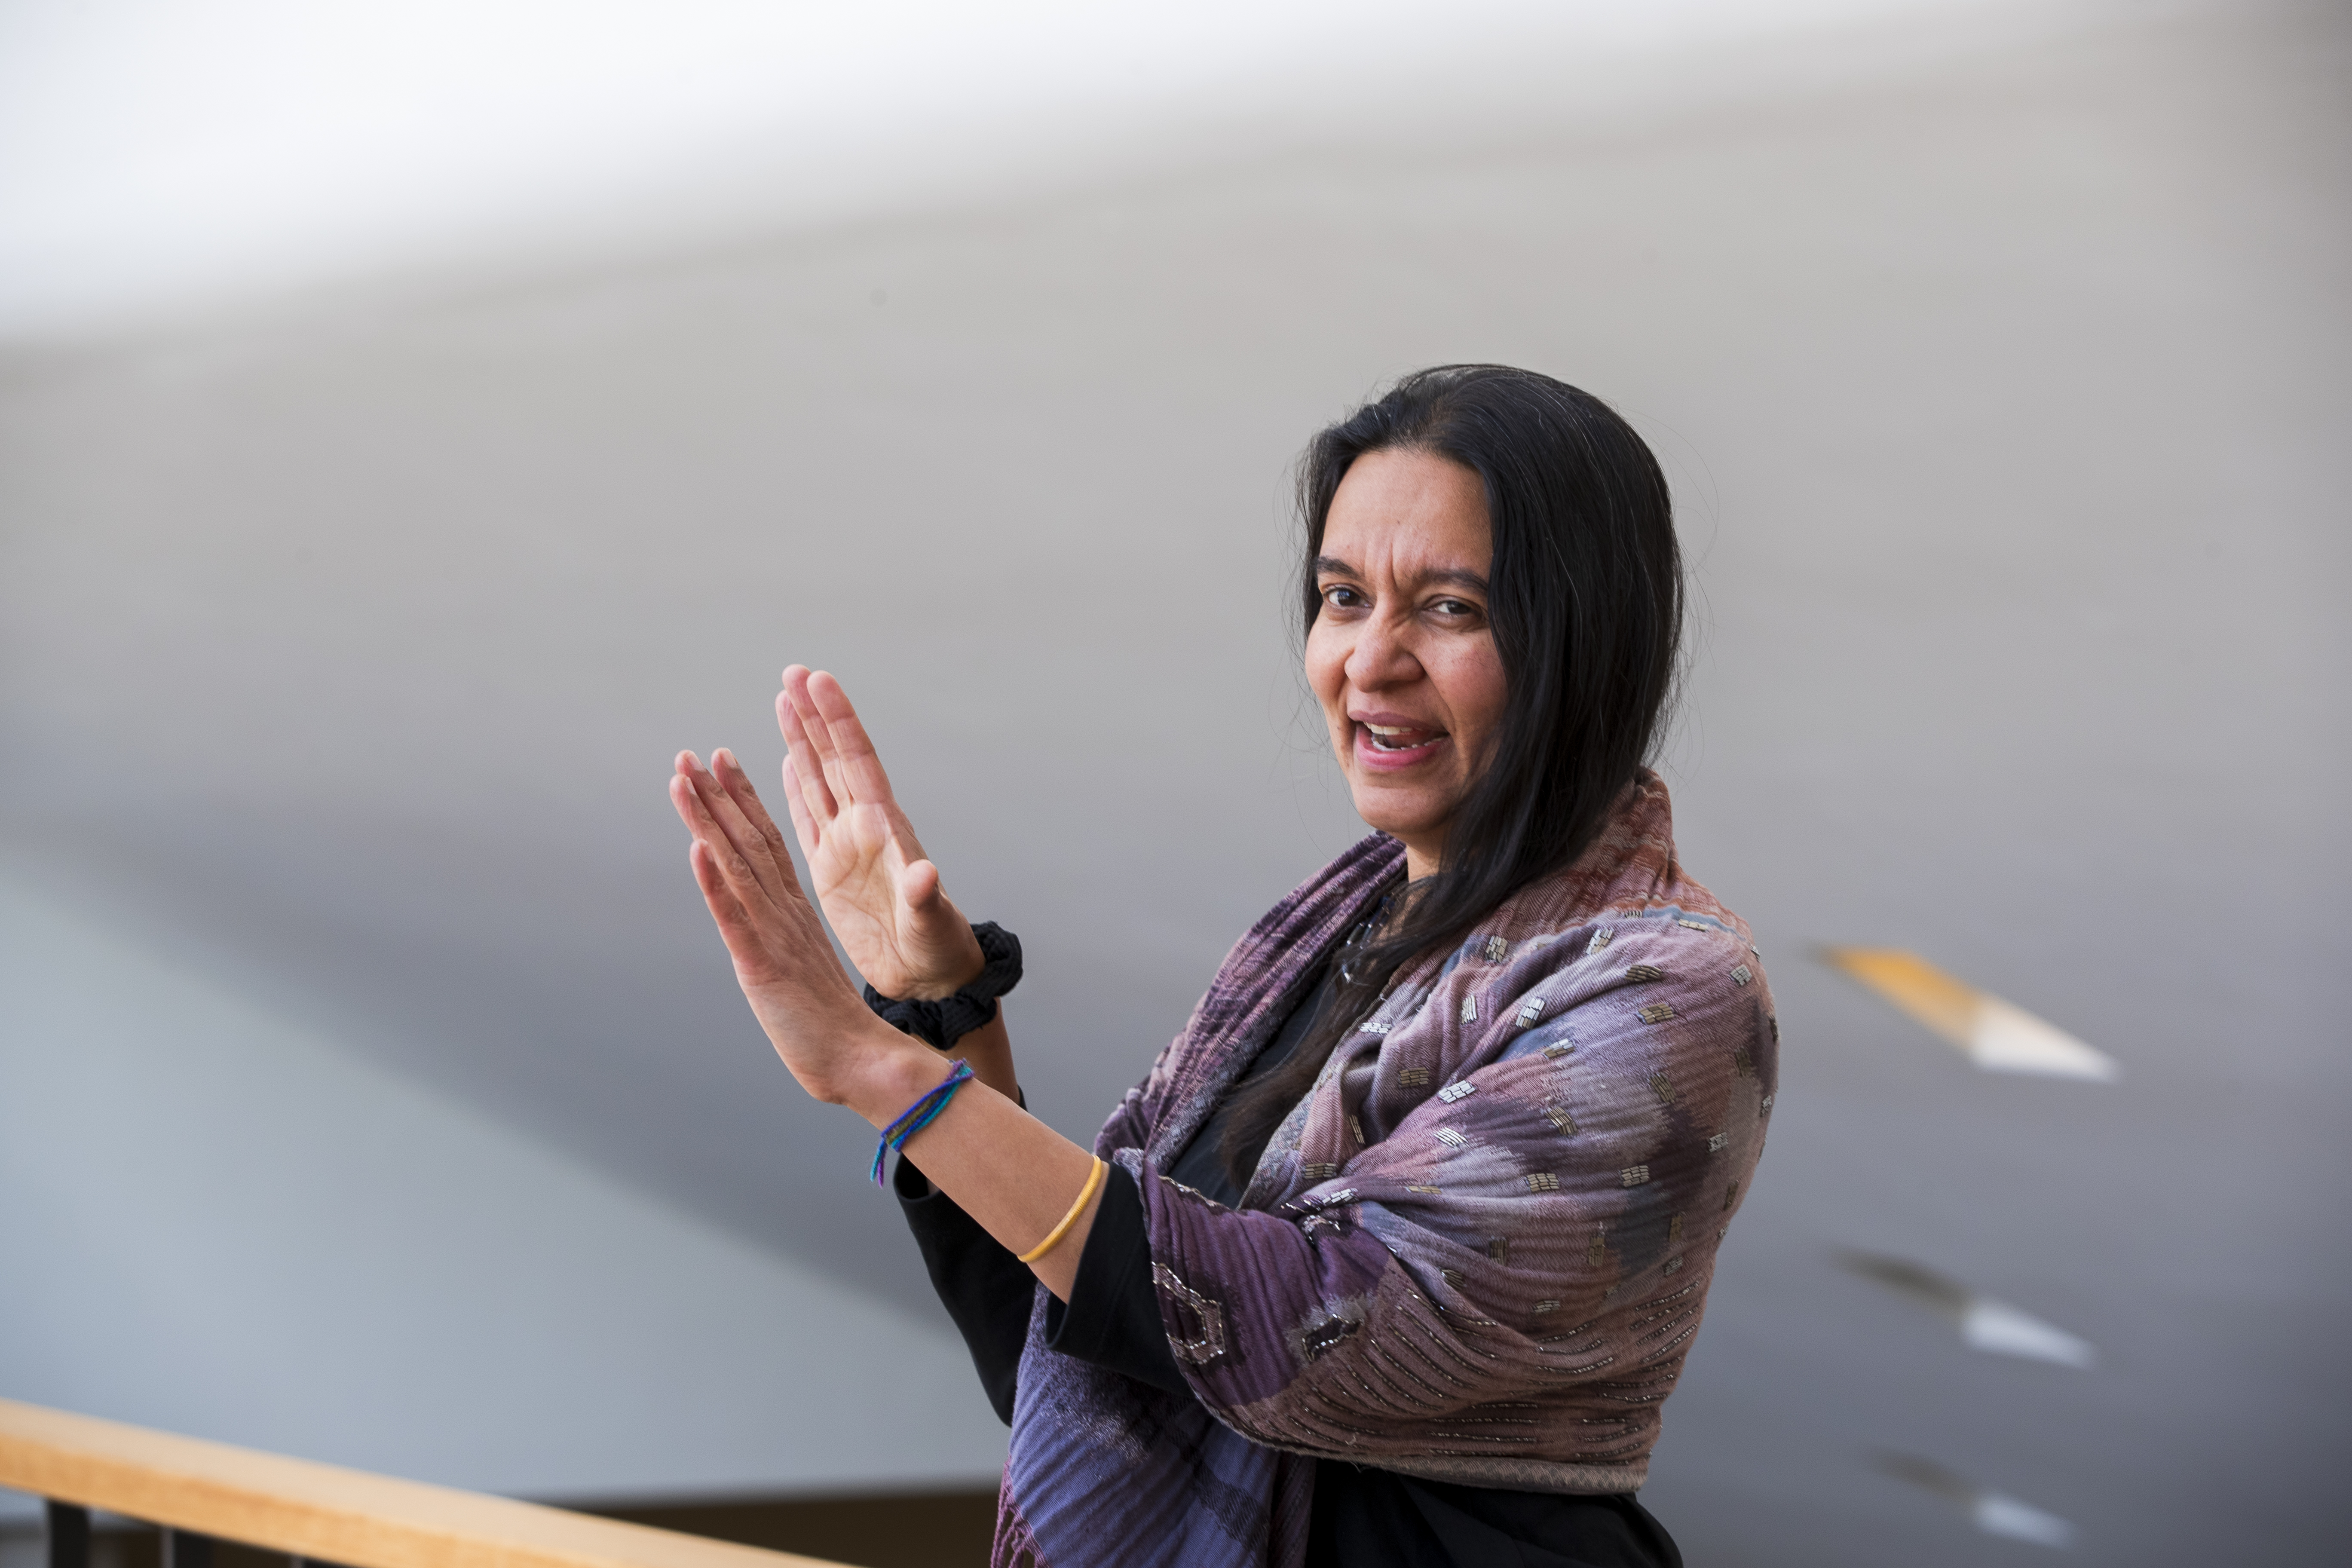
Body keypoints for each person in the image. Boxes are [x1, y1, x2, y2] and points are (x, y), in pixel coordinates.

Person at [668, 364, 1777, 1568]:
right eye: (1344, 597)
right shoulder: (1335, 935)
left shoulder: (1665, 989)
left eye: (1452, 608)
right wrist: (944, 1015)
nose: (1372, 658)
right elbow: (1084, 1349)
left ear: (1585, 641)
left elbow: (1303, 1325)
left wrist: (882, 1073)